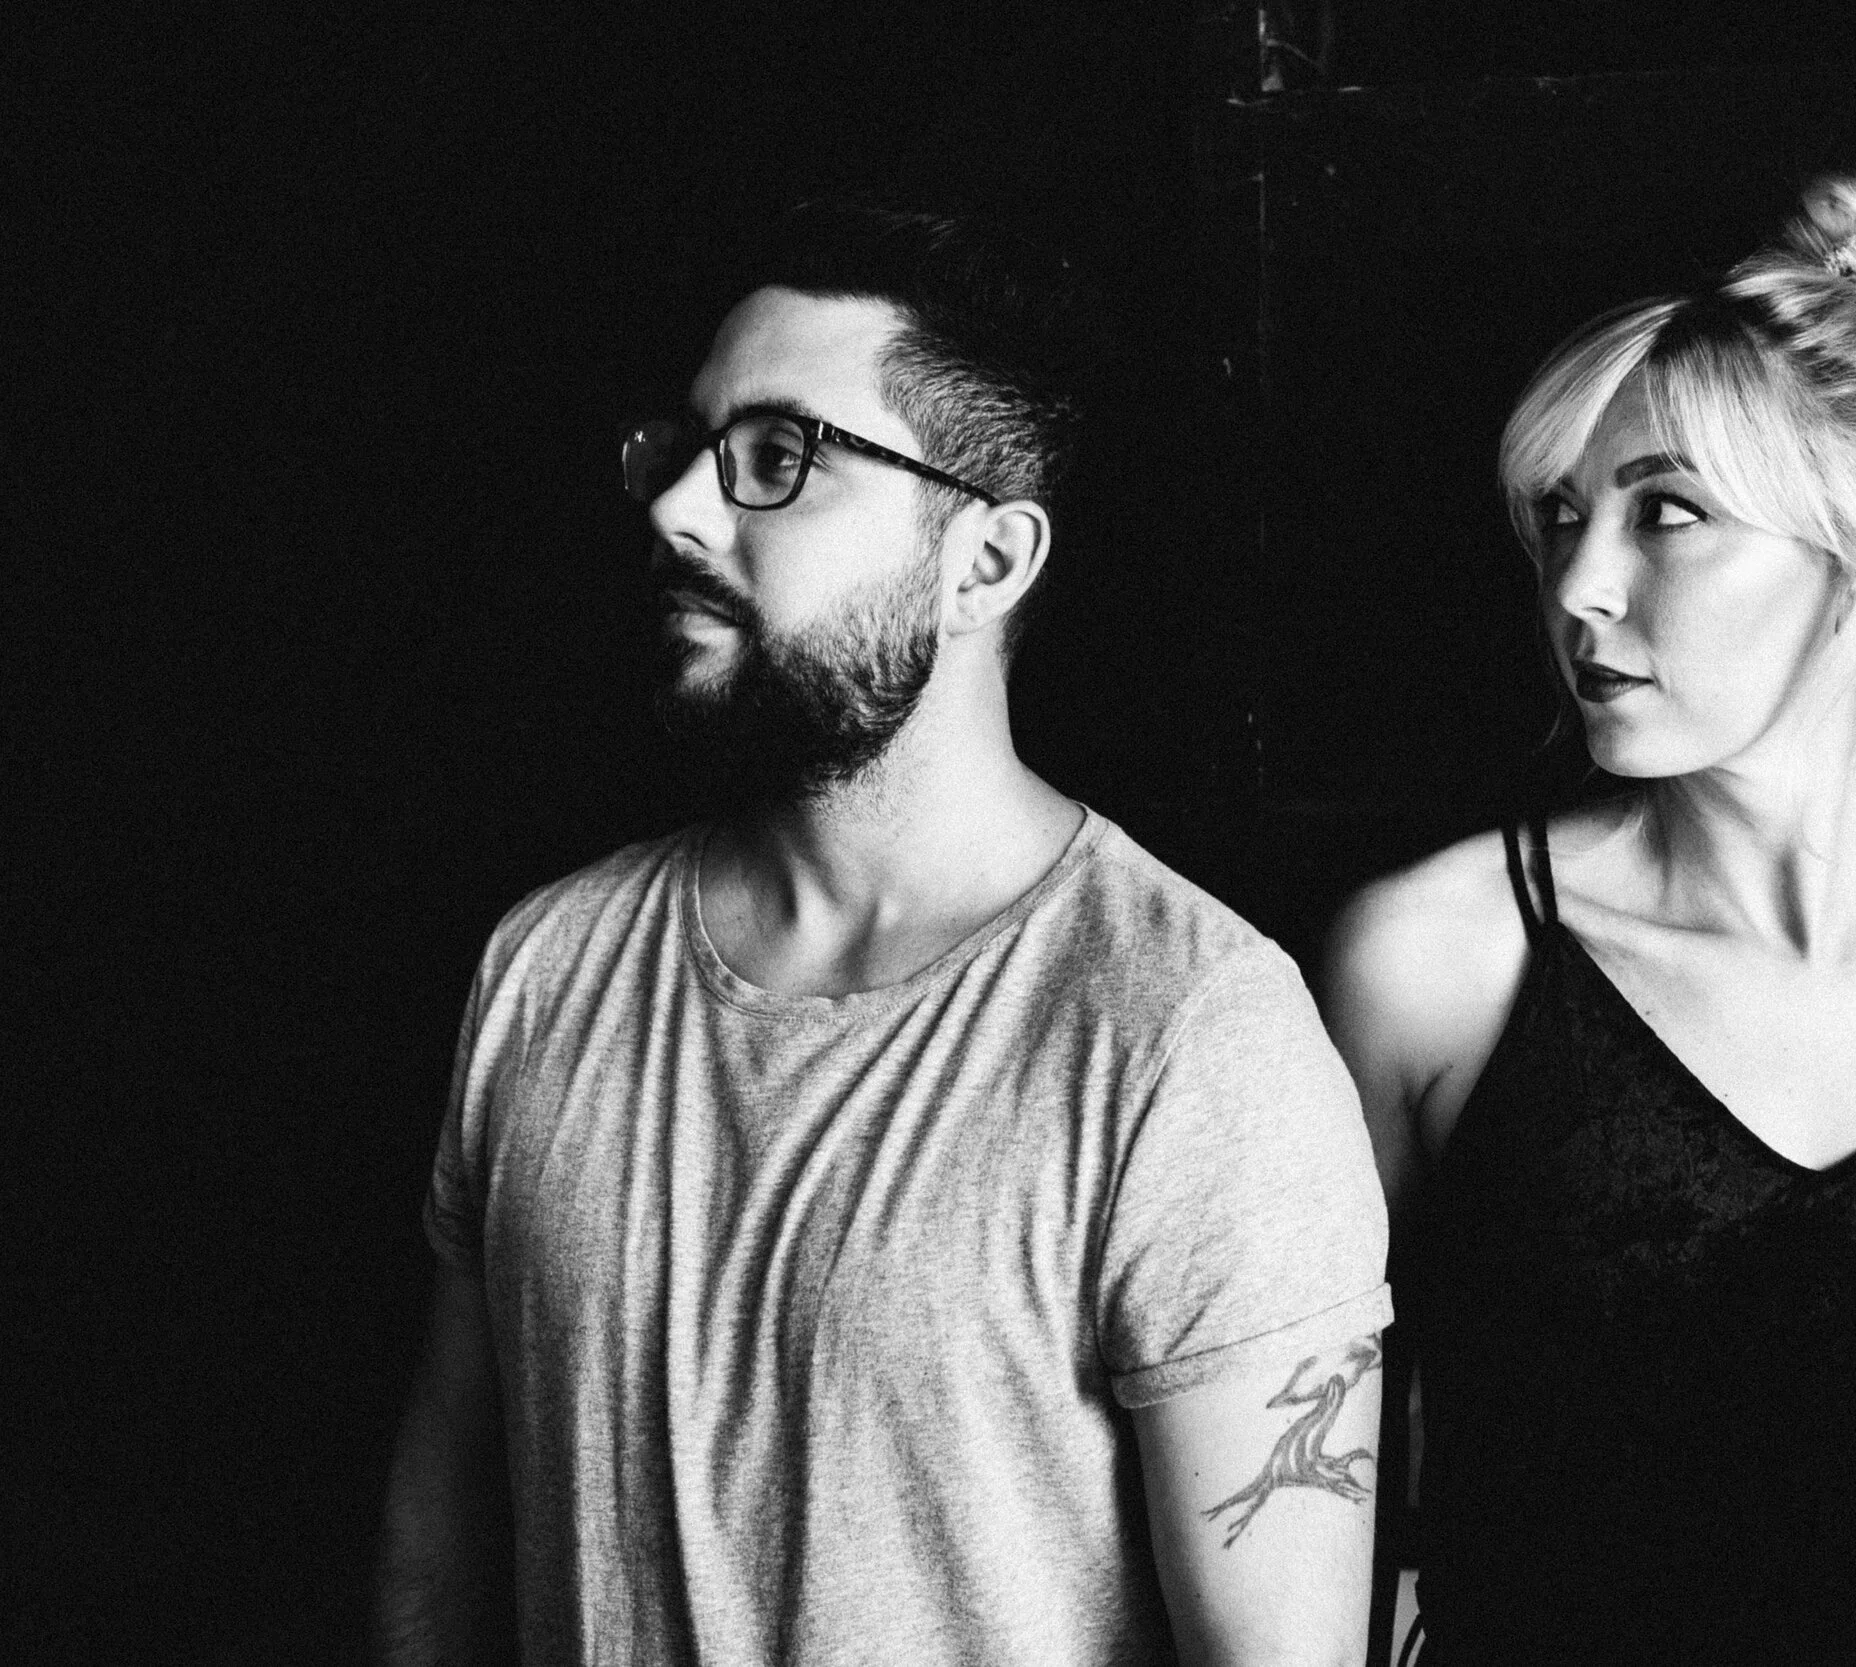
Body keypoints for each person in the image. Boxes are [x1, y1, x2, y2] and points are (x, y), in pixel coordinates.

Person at [373, 206, 1390, 1667]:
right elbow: (445, 1517)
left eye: (779, 456)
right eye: (686, 447)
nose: (678, 509)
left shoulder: (1191, 1034)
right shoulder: (546, 966)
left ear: (986, 561)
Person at [1324, 178, 1856, 1665]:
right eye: (1563, 516)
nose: (1580, 585)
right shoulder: (1437, 959)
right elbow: (1332, 1495)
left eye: (1670, 512)